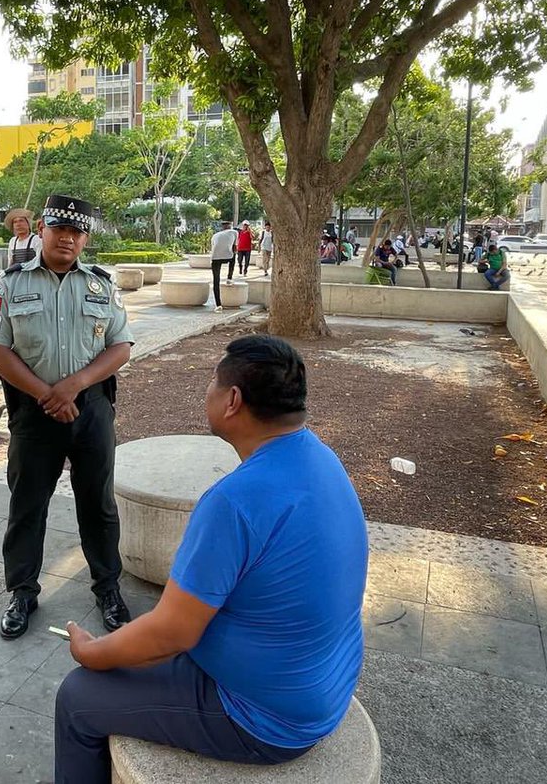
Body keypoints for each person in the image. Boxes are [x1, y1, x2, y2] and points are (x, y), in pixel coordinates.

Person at [53, 335, 368, 783]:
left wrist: (94, 652)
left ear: (233, 401)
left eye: (211, 383)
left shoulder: (233, 502)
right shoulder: (321, 457)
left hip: (265, 718)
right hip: (322, 683)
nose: (208, 391)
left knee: (78, 696)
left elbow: (172, 632)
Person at [0, 194, 135, 641]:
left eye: (77, 231)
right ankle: (22, 592)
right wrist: (48, 394)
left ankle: (107, 588)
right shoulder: (8, 285)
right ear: (42, 229)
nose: (67, 238)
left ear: (85, 238)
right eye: (59, 229)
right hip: (34, 413)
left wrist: (73, 386)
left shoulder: (103, 286)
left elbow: (120, 347)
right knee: (27, 505)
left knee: (99, 505)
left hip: (92, 412)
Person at [210, 220, 238, 311]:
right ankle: (229, 278)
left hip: (214, 258)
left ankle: (218, 305)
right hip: (228, 257)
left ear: (222, 227)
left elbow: (214, 247)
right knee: (234, 256)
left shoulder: (215, 235)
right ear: (230, 226)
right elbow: (235, 248)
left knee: (216, 281)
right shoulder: (235, 232)